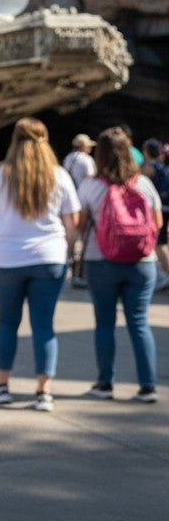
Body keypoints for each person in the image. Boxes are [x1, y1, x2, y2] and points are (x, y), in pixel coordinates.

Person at [0, 117, 80, 412]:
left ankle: (2, 385)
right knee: (44, 326)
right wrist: (68, 251)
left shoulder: (0, 173)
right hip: (49, 257)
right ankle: (43, 391)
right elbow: (72, 220)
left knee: (8, 322)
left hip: (8, 258)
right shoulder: (58, 175)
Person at [77, 127, 162, 402]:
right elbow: (157, 223)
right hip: (141, 262)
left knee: (104, 323)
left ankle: (105, 384)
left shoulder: (91, 186)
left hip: (101, 261)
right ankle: (148, 386)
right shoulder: (144, 184)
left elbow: (79, 225)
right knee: (139, 323)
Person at [62, 133, 96, 287]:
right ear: (83, 146)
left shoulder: (68, 158)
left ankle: (67, 264)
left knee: (70, 236)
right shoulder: (87, 160)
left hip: (69, 200)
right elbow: (90, 179)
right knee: (85, 237)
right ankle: (80, 272)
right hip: (83, 200)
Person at [140, 137, 169, 291]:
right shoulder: (163, 165)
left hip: (158, 209)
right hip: (165, 206)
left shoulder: (149, 167)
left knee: (159, 243)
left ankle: (165, 275)